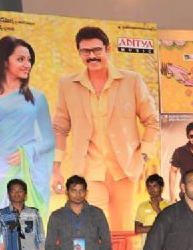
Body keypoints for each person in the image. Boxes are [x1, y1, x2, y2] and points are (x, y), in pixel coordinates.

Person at [51, 26, 159, 231]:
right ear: (79, 52)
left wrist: (143, 156)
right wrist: (56, 168)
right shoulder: (67, 85)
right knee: (91, 230)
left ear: (108, 49)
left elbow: (152, 121)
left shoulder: (132, 80)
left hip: (124, 170)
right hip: (88, 172)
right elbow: (60, 128)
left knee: (123, 231)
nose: (91, 56)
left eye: (96, 50)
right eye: (85, 51)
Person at [0, 35, 55, 214]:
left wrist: (27, 152)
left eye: (29, 60)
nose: (27, 64)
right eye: (20, 59)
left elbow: (49, 141)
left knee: (25, 225)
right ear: (5, 61)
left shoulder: (37, 97)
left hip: (25, 173)